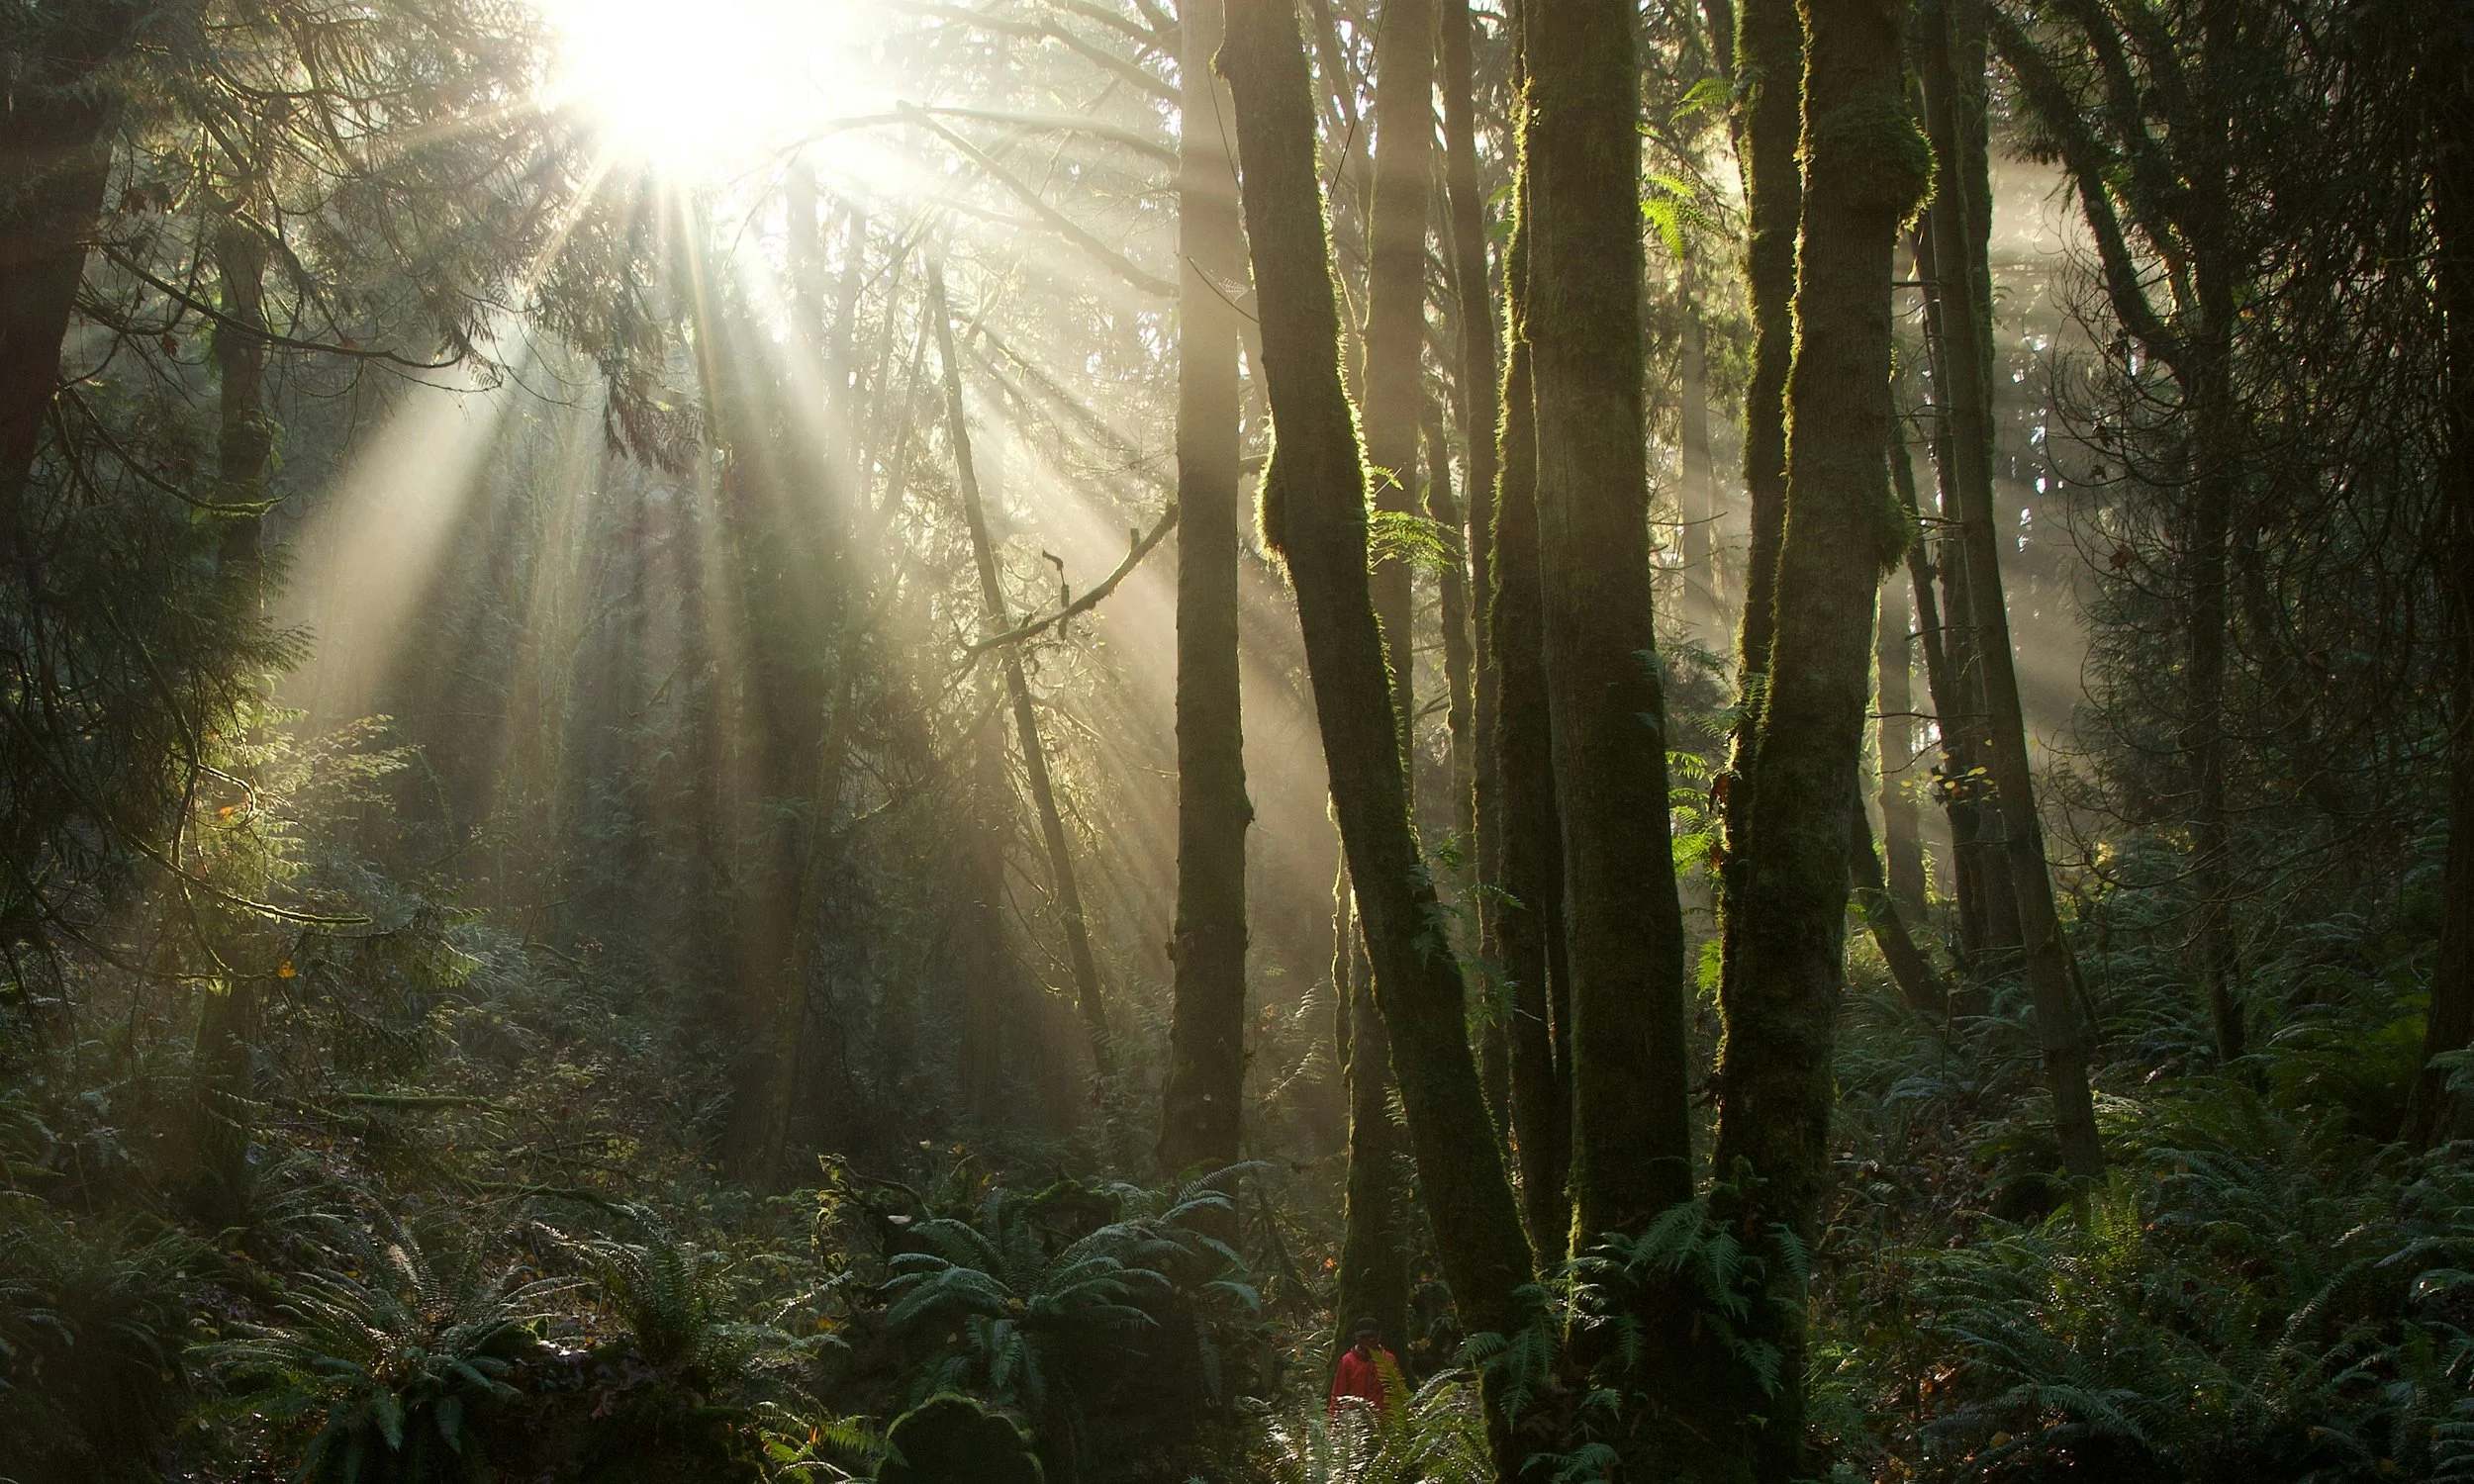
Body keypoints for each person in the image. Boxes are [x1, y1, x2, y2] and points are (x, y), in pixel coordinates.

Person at [1327, 1317, 1397, 1418]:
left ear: (1378, 1336)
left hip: (1384, 1421)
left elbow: (1398, 1393)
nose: (1367, 1340)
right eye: (1363, 1337)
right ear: (1356, 1338)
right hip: (1356, 1423)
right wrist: (1334, 1421)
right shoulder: (1347, 1361)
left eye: (1371, 1336)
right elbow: (1338, 1395)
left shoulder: (1389, 1360)